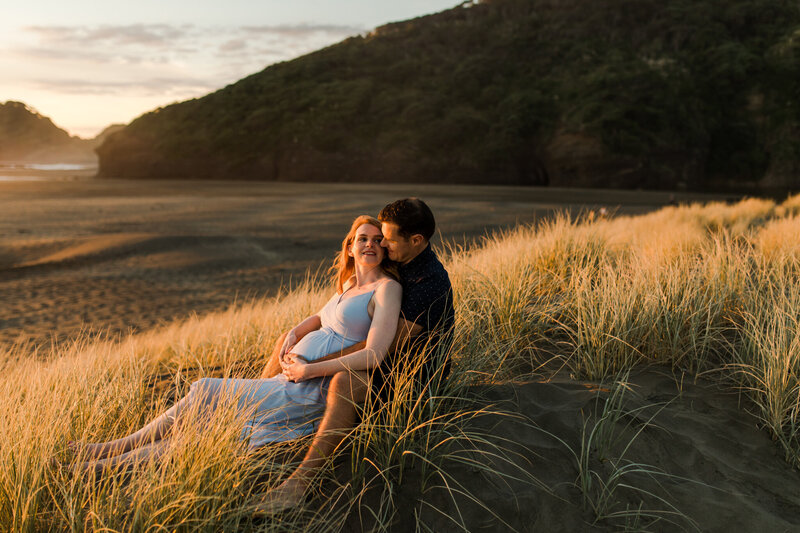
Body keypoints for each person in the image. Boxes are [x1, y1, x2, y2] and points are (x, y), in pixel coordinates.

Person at [69, 215, 402, 474]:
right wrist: (295, 330)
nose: (370, 245)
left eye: (377, 240)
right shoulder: (348, 283)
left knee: (204, 393)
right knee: (205, 422)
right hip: (289, 381)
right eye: (363, 239)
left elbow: (373, 355)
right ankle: (105, 454)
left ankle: (103, 460)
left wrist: (307, 369)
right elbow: (323, 317)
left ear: (385, 247)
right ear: (349, 247)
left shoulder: (386, 288)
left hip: (309, 390)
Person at [255, 197, 454, 513]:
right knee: (288, 345)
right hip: (377, 362)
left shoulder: (427, 282)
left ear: (416, 240)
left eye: (387, 240)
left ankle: (299, 483)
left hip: (407, 381)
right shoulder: (397, 262)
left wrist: (311, 366)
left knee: (345, 381)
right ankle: (256, 403)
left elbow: (383, 351)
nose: (382, 245)